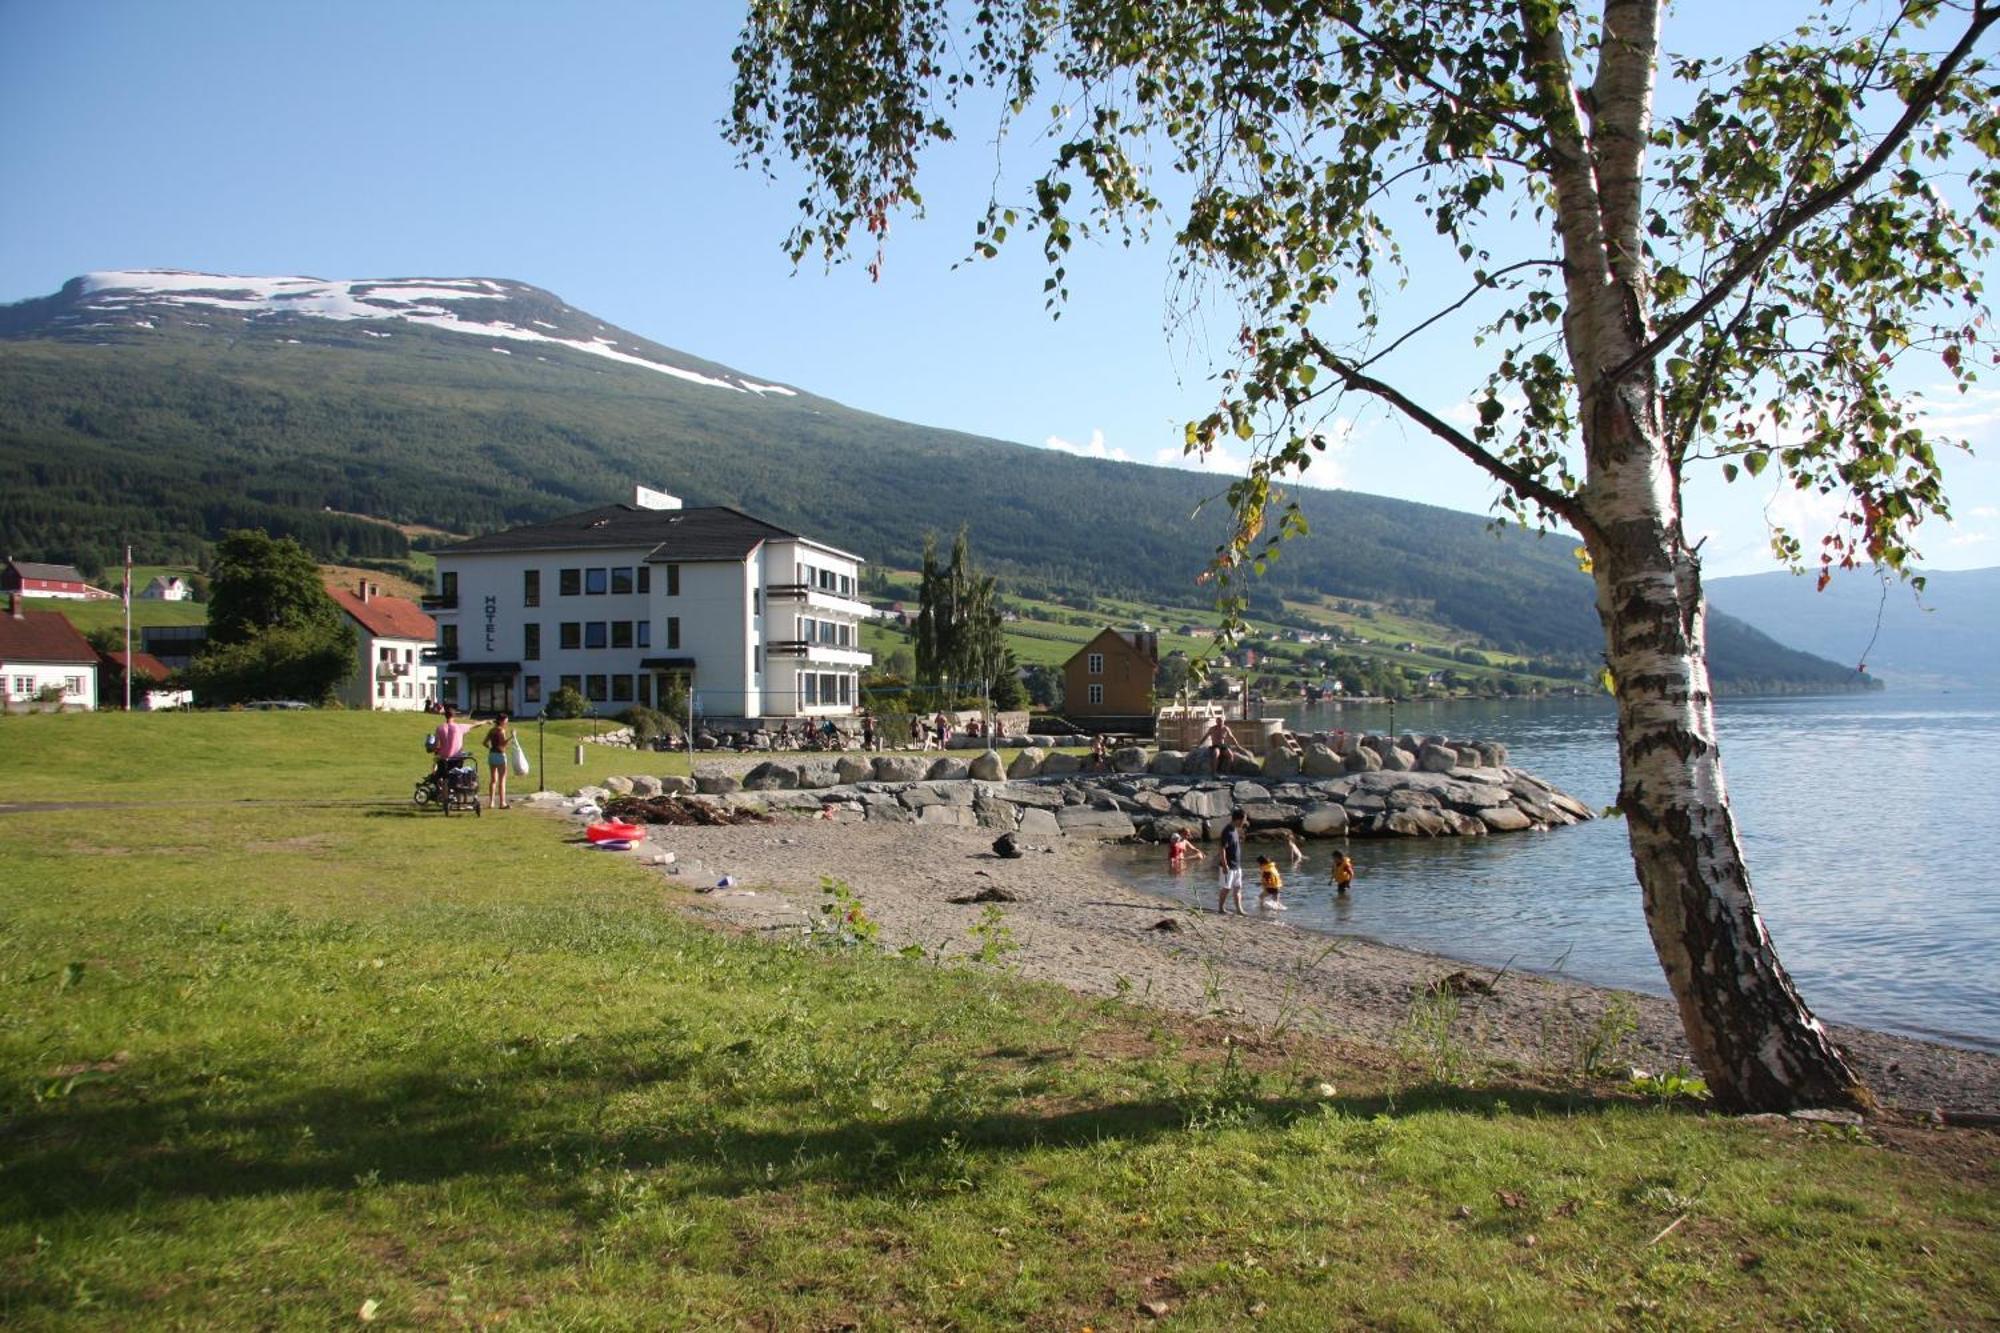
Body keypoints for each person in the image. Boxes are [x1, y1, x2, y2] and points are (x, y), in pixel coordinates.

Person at [1215, 809, 1249, 914]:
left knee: (1238, 887)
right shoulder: (1227, 831)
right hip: (1228, 865)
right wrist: (1225, 865)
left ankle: (1239, 909)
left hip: (1237, 865)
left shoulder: (1235, 830)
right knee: (1226, 888)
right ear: (1238, 819)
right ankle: (1221, 908)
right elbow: (1222, 849)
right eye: (1244, 820)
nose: (1245, 822)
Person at [484, 713, 513, 809]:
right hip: (500, 755)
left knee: (493, 780)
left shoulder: (491, 730)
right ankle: (502, 803)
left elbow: (485, 743)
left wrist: (491, 747)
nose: (506, 722)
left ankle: (491, 802)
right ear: (501, 721)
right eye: (506, 721)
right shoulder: (501, 731)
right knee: (502, 780)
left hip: (492, 755)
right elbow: (503, 744)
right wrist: (512, 737)